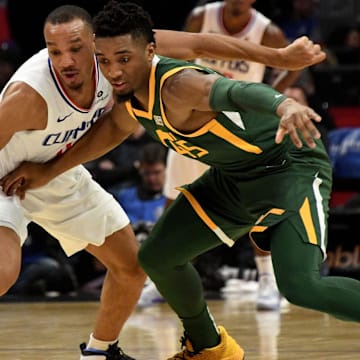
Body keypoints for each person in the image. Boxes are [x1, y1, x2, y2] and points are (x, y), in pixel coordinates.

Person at [0, 2, 343, 360]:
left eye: (75, 49)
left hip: (59, 172)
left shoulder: (126, 57)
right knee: (9, 271)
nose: (67, 61)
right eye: (55, 52)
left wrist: (280, 61)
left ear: (93, 42)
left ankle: (99, 352)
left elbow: (204, 49)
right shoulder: (30, 95)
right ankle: (206, 344)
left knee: (134, 267)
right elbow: (116, 126)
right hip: (7, 175)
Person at [156, 0, 304, 311]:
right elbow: (173, 58)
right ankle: (159, 279)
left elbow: (293, 66)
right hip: (192, 120)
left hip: (237, 128)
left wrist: (268, 98)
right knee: (173, 199)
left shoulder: (268, 31)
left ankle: (268, 281)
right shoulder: (201, 17)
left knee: (258, 205)